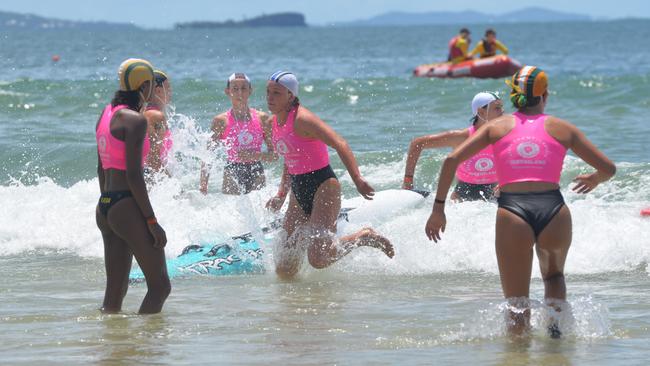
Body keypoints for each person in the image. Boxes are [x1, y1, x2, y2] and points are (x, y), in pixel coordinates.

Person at [424, 66, 616, 337]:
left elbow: (450, 160)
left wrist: (438, 209)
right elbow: (608, 168)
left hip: (513, 212)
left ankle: (518, 355)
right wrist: (595, 179)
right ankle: (556, 343)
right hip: (554, 210)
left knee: (516, 302)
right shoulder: (563, 128)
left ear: (514, 98)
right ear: (545, 95)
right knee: (554, 277)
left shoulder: (497, 127)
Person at [265, 71, 393, 279]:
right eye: (268, 92)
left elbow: (340, 143)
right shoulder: (274, 123)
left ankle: (364, 236)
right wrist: (281, 194)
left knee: (319, 258)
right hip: (298, 188)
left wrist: (358, 179)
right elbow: (289, 158)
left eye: (276, 93)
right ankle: (297, 306)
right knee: (285, 268)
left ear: (290, 95)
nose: (270, 97)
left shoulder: (303, 120)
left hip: (323, 185)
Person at [95, 58, 171, 314]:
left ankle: (114, 347)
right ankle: (143, 348)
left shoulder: (106, 114)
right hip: (126, 205)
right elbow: (135, 175)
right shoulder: (136, 121)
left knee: (114, 294)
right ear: (145, 85)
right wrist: (151, 220)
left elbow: (101, 169)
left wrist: (109, 207)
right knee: (160, 287)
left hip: (105, 205)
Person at [403, 92, 503, 201]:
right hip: (462, 201)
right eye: (497, 108)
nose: (502, 112)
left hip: (494, 199)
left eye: (501, 107)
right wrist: (408, 181)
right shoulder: (461, 138)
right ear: (481, 112)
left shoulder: (503, 136)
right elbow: (417, 143)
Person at [200, 73, 275, 195]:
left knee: (259, 212)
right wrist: (203, 186)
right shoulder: (221, 121)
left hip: (256, 171)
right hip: (232, 170)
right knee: (232, 212)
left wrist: (255, 156)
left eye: (244, 88)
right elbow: (208, 154)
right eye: (235, 88)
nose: (240, 92)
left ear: (250, 91)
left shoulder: (262, 118)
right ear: (227, 91)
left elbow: (275, 155)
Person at [144, 69, 173, 175]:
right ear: (158, 90)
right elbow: (153, 159)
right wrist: (172, 183)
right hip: (148, 175)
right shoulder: (155, 116)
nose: (170, 92)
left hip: (148, 173)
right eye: (168, 88)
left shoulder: (148, 113)